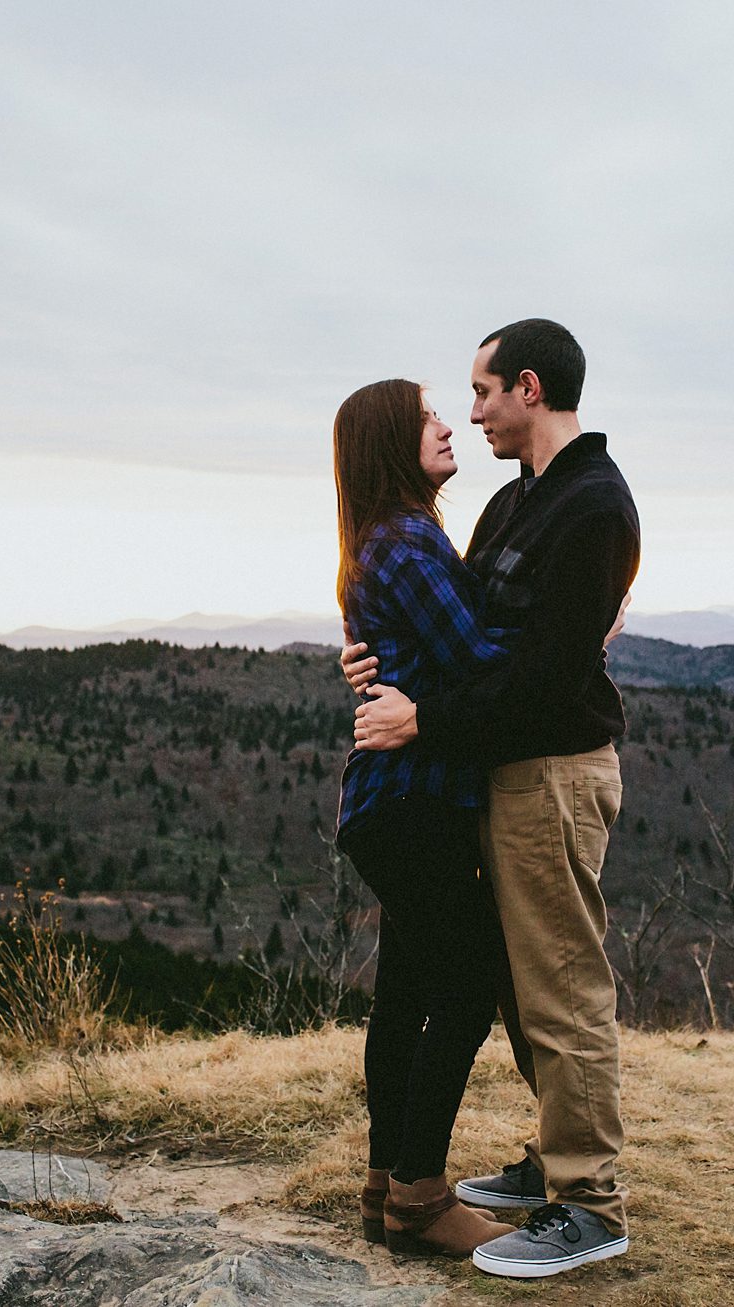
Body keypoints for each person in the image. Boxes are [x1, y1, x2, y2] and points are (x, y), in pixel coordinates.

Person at [349, 318, 641, 1279]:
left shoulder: (593, 505)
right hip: (503, 773)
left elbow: (548, 680)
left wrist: (421, 717)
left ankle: (589, 1200)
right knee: (523, 984)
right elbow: (451, 627)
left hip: (554, 770)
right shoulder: (516, 504)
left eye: (479, 394)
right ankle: (552, 1159)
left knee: (559, 984)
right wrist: (375, 655)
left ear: (527, 387)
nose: (471, 413)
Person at [331, 377, 517, 1259]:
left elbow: (421, 657)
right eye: (429, 419)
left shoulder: (382, 541)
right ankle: (421, 1194)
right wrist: (580, 637)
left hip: (389, 805)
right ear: (389, 446)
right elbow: (484, 657)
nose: (449, 425)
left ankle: (385, 1184)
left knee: (405, 994)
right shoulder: (406, 542)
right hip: (414, 803)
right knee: (469, 983)